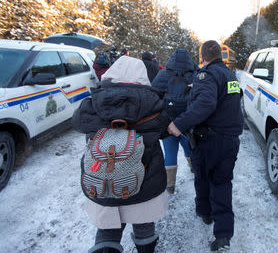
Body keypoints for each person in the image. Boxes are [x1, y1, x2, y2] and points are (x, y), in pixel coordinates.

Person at [72, 56, 171, 253]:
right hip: (144, 179)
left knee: (107, 228)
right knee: (143, 223)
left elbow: (78, 123)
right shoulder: (153, 103)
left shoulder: (93, 103)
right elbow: (165, 129)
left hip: (102, 179)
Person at [167, 40, 243, 252]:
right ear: (221, 56)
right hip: (230, 140)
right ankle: (223, 235)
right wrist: (197, 88)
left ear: (202, 57)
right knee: (223, 183)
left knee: (203, 177)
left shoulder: (205, 75)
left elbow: (206, 103)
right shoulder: (230, 75)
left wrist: (178, 124)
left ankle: (205, 212)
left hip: (210, 140)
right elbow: (225, 98)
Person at [151, 48, 197, 194]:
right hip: (187, 122)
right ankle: (194, 169)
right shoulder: (195, 76)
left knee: (170, 153)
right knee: (189, 148)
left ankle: (170, 185)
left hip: (168, 123)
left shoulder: (163, 75)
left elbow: (153, 96)